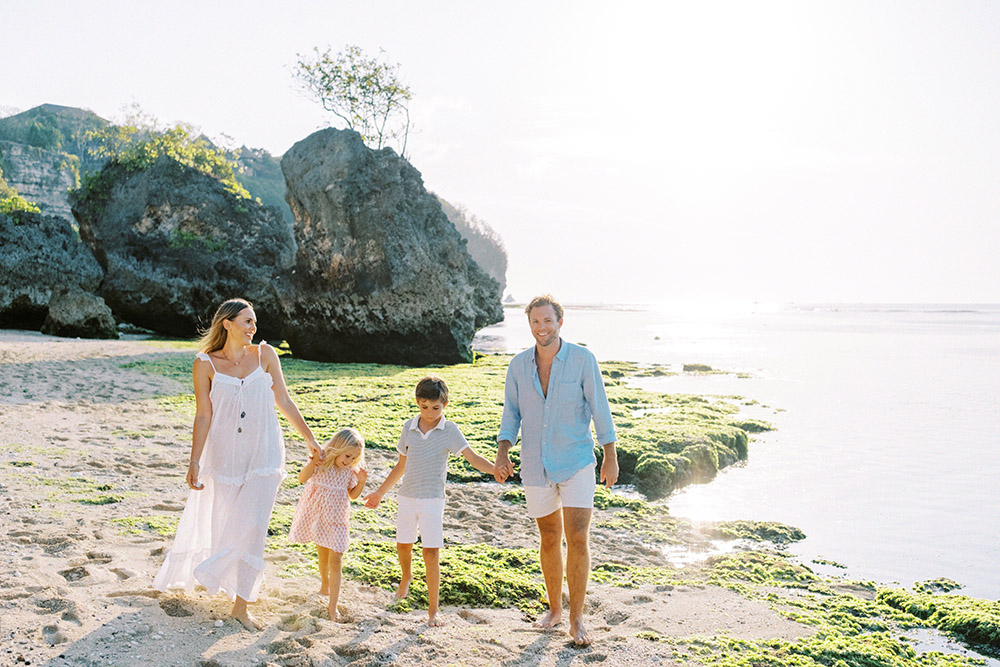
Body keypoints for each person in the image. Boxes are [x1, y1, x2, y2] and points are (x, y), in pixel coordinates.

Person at [153, 298, 322, 631]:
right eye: (247, 321)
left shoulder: (265, 356)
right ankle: (219, 575)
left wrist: (310, 439)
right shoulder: (205, 364)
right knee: (227, 522)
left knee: (254, 527)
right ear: (227, 323)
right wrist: (195, 459)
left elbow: (284, 400)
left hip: (266, 454)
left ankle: (241, 605)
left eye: (255, 322)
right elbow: (203, 415)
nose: (253, 328)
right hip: (225, 455)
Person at [493, 294, 618, 646]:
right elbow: (511, 414)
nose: (541, 327)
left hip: (577, 462)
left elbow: (600, 408)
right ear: (529, 324)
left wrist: (610, 455)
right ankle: (554, 609)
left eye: (547, 321)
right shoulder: (518, 366)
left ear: (560, 322)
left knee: (577, 537)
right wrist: (503, 453)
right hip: (535, 465)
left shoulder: (582, 360)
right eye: (535, 321)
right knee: (548, 537)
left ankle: (577, 618)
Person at [362, 375, 496, 626]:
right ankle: (406, 576)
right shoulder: (408, 427)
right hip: (407, 497)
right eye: (424, 407)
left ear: (445, 404)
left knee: (430, 552)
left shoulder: (450, 430)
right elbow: (400, 465)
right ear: (417, 402)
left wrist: (495, 469)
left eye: (436, 407)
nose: (430, 412)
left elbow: (472, 457)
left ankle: (433, 610)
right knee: (403, 545)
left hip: (433, 500)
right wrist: (380, 493)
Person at [288, 427, 368, 622]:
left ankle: (333, 607)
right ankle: (324, 585)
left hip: (338, 518)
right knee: (323, 554)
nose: (349, 461)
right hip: (317, 514)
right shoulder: (322, 462)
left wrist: (362, 481)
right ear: (337, 448)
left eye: (353, 458)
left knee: (337, 556)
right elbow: (301, 479)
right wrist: (313, 462)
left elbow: (352, 495)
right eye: (347, 456)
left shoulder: (349, 470)